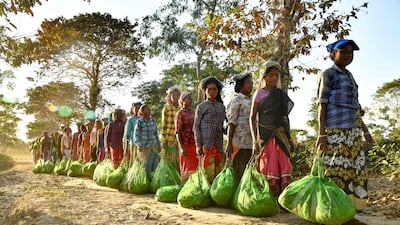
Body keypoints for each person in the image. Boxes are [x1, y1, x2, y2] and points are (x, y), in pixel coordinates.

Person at [316, 39, 374, 211]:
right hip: (336, 131)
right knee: (336, 169)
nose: (348, 55)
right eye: (344, 51)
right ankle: (331, 209)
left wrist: (366, 132)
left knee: (356, 170)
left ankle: (349, 209)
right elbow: (322, 103)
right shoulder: (327, 74)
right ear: (333, 54)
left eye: (351, 52)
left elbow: (356, 107)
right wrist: (322, 134)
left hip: (354, 132)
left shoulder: (350, 77)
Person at [249, 61, 294, 198]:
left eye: (276, 75)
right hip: (266, 136)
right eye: (271, 75)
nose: (274, 78)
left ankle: (284, 199)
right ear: (265, 77)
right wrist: (254, 140)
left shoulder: (281, 95)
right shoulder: (259, 94)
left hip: (281, 135)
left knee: (285, 163)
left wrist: (290, 138)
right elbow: (252, 117)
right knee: (270, 165)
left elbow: (285, 118)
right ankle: (269, 198)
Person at [194, 76, 226, 184]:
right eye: (209, 89)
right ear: (204, 91)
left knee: (219, 172)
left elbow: (224, 125)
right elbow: (196, 126)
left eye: (215, 89)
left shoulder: (221, 107)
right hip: (206, 145)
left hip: (219, 144)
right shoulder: (201, 107)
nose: (212, 92)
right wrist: (198, 145)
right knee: (207, 173)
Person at [225, 73, 253, 179]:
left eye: (252, 83)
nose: (251, 85)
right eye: (248, 83)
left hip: (251, 142)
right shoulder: (236, 100)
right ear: (241, 85)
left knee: (249, 172)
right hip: (239, 142)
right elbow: (231, 123)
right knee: (239, 171)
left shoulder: (253, 99)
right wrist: (229, 143)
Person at [175, 92, 198, 182]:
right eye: (188, 98)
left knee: (195, 165)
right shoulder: (180, 114)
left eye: (191, 98)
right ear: (183, 101)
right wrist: (181, 147)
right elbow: (178, 132)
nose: (191, 100)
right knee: (186, 165)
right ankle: (186, 186)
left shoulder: (194, 112)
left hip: (194, 143)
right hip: (185, 144)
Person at [134, 104, 161, 181]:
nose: (149, 111)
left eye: (150, 109)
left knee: (156, 164)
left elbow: (156, 133)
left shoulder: (153, 121)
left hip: (154, 146)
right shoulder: (139, 121)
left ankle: (154, 182)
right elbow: (136, 134)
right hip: (145, 147)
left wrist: (159, 145)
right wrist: (139, 145)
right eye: (147, 110)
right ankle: (147, 181)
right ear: (142, 112)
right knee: (147, 165)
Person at [161, 86, 181, 170]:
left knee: (179, 160)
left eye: (177, 95)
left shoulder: (181, 109)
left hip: (180, 139)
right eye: (173, 95)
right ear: (170, 97)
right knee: (170, 161)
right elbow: (164, 125)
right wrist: (164, 140)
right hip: (169, 139)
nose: (176, 97)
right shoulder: (166, 109)